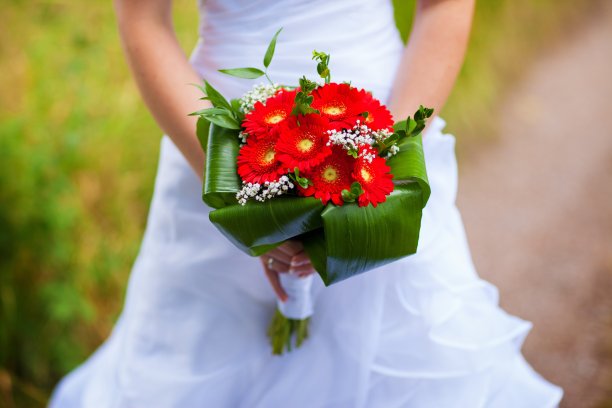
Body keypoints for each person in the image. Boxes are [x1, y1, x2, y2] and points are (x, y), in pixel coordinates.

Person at [50, 0, 563, 406]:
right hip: (215, 147)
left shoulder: (384, 159)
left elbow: (445, 5)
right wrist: (241, 199)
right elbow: (142, 20)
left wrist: (382, 166)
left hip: (384, 137)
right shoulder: (224, 174)